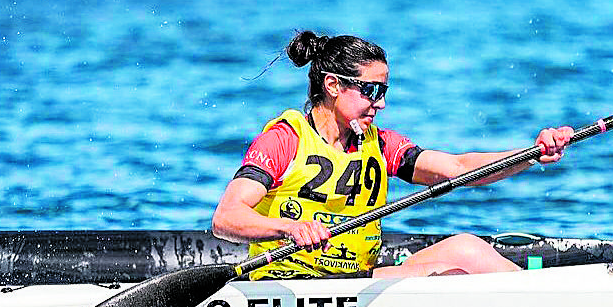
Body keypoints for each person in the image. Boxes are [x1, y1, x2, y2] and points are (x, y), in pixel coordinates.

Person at [211, 31, 572, 280]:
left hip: (354, 280)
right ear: (333, 85)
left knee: (466, 248)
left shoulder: (379, 144)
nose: (380, 103)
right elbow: (226, 218)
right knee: (449, 279)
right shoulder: (284, 140)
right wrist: (290, 228)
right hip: (289, 283)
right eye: (370, 90)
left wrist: (532, 154)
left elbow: (459, 169)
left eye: (383, 90)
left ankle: (547, 306)